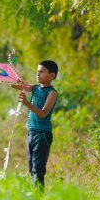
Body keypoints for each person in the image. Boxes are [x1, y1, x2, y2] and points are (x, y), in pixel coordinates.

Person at [8, 52, 58, 188]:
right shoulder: (35, 88)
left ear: (51, 76)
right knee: (32, 168)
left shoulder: (51, 93)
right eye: (37, 71)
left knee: (38, 170)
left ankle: (39, 198)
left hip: (42, 135)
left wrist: (27, 104)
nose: (38, 74)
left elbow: (43, 113)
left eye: (42, 72)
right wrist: (12, 65)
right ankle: (36, 197)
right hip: (31, 133)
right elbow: (14, 84)